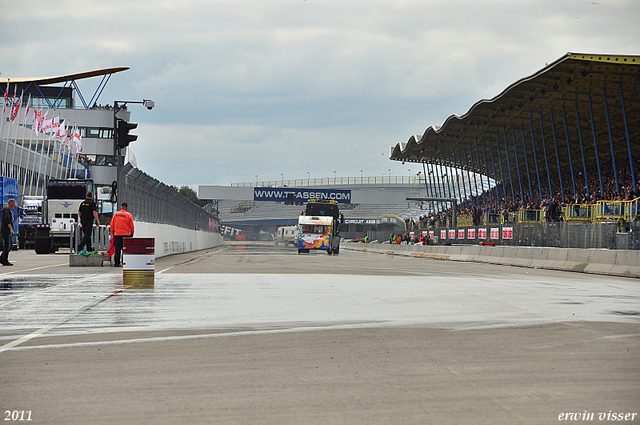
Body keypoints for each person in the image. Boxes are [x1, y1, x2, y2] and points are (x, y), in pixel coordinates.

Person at [110, 202, 134, 267]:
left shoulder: (116, 214)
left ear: (121, 207)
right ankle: (124, 262)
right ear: (126, 208)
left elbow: (112, 224)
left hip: (117, 234)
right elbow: (132, 225)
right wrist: (132, 233)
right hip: (126, 235)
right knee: (125, 249)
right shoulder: (129, 215)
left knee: (117, 249)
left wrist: (113, 232)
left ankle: (116, 263)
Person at [0, 198, 16, 266]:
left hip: (6, 230)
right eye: (14, 203)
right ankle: (3, 259)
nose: (15, 205)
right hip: (6, 230)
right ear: (11, 203)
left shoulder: (8, 210)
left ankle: (2, 258)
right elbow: (7, 220)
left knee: (9, 245)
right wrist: (11, 229)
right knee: (8, 246)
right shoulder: (6, 210)